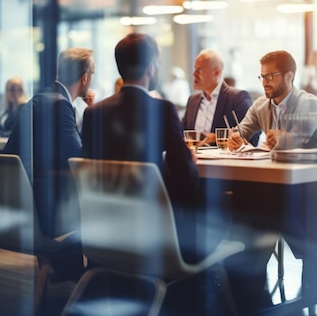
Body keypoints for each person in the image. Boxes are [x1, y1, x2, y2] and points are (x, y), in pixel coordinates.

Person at [82, 33, 243, 313]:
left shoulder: (94, 114)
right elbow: (187, 184)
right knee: (222, 205)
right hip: (156, 241)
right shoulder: (161, 109)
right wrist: (187, 160)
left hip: (105, 235)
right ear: (151, 67)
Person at [228, 50, 317, 298]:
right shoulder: (261, 104)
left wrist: (283, 138)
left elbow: (299, 139)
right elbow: (241, 131)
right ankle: (255, 262)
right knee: (251, 195)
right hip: (275, 183)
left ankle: (304, 258)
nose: (265, 82)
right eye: (262, 76)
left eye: (271, 76)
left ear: (289, 76)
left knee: (268, 202)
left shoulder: (309, 102)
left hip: (312, 186)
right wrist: (235, 138)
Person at [3, 47, 95, 280]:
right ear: (85, 77)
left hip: (17, 204)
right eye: (92, 74)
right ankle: (93, 282)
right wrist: (93, 116)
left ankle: (70, 272)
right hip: (41, 212)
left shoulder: (39, 99)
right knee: (104, 206)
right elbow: (76, 160)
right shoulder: (59, 104)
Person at [181, 48, 254, 145]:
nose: (194, 74)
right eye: (195, 69)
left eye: (199, 70)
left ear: (216, 72)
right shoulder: (192, 100)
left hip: (222, 159)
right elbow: (181, 133)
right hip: (192, 158)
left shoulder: (237, 98)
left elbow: (252, 136)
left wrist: (218, 138)